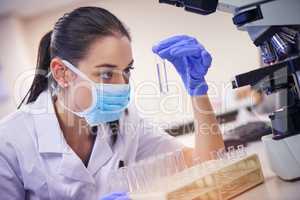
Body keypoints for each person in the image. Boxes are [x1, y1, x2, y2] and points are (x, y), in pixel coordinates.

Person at [0, 7, 224, 200]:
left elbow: (205, 163)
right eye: (107, 74)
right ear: (62, 73)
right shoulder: (10, 141)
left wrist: (197, 91)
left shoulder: (125, 121)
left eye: (126, 70)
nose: (122, 85)